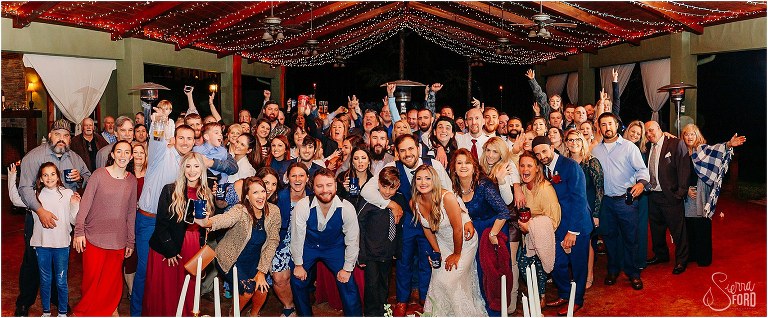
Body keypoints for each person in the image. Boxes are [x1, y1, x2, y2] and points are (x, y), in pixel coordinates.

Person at [133, 102, 235, 316]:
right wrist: (160, 121)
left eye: (190, 138)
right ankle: (139, 313)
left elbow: (226, 168)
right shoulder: (162, 153)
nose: (185, 142)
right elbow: (157, 139)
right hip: (151, 219)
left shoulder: (192, 163)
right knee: (145, 273)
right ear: (174, 138)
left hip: (178, 224)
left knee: (179, 277)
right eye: (181, 138)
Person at [360, 134, 453, 316]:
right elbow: (367, 190)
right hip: (405, 223)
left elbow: (448, 192)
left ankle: (426, 299)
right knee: (403, 262)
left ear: (418, 148)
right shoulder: (392, 166)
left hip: (429, 222)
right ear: (397, 152)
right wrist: (390, 203)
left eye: (410, 149)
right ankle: (402, 300)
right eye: (402, 150)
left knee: (428, 261)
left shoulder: (434, 165)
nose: (407, 153)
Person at [17, 119, 91, 317]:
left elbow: (90, 178)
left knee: (60, 263)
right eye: (57, 134)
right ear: (50, 135)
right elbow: (24, 188)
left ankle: (58, 300)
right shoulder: (34, 156)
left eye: (66, 136)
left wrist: (81, 178)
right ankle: (24, 302)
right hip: (37, 217)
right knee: (32, 260)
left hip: (64, 220)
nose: (62, 139)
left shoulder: (75, 158)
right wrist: (40, 211)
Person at [143, 152, 214, 316]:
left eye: (196, 166)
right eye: (188, 166)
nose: (192, 170)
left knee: (187, 288)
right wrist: (170, 251)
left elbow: (206, 225)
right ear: (182, 168)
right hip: (168, 246)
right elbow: (161, 224)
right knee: (167, 290)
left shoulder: (206, 193)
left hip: (192, 246)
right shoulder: (170, 190)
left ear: (202, 169)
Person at [197, 177, 280, 316]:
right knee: (248, 290)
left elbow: (273, 241)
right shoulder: (240, 210)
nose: (260, 196)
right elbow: (226, 219)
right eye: (255, 192)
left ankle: (253, 314)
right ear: (247, 196)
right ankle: (234, 313)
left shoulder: (274, 211)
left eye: (262, 191)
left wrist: (261, 271)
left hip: (254, 260)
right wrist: (207, 222)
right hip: (232, 258)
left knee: (262, 290)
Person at [412, 164, 487, 316]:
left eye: (427, 178)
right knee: (438, 280)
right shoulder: (414, 202)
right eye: (419, 179)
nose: (423, 182)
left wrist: (457, 254)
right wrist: (437, 251)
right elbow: (427, 229)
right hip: (442, 243)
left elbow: (458, 228)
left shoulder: (447, 197)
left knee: (450, 281)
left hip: (464, 243)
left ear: (434, 180)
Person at [73, 140, 137, 316]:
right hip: (94, 236)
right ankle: (86, 313)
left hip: (118, 239)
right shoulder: (99, 175)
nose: (122, 155)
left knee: (112, 282)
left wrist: (130, 241)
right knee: (91, 281)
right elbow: (85, 204)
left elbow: (131, 212)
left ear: (131, 157)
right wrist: (79, 231)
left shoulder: (132, 181)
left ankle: (110, 309)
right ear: (112, 154)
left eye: (126, 152)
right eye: (119, 151)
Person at [531, 136, 592, 315]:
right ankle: (565, 294)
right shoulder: (543, 169)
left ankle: (577, 300)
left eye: (544, 151)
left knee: (578, 265)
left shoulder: (570, 166)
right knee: (556, 262)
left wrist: (573, 231)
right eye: (537, 154)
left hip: (577, 224)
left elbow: (579, 200)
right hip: (558, 225)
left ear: (552, 147)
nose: (542, 156)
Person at [290, 168, 362, 317]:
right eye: (319, 186)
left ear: (335, 186)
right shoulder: (303, 206)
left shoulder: (347, 208)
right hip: (308, 246)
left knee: (348, 282)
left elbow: (352, 240)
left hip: (334, 247)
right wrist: (298, 264)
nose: (324, 190)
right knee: (297, 281)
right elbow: (297, 237)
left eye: (329, 185)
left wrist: (347, 269)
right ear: (313, 188)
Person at [591, 113, 649, 290]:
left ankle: (633, 273)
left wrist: (641, 183)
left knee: (631, 238)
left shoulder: (629, 147)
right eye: (603, 124)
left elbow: (642, 170)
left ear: (616, 125)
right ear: (599, 128)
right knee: (609, 238)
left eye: (610, 123)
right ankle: (613, 270)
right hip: (605, 202)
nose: (607, 127)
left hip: (626, 201)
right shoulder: (595, 150)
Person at [449, 148, 509, 316]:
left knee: (491, 273)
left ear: (474, 166)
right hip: (472, 232)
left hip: (493, 229)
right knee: (475, 272)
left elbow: (504, 212)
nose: (463, 166)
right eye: (459, 163)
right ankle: (480, 309)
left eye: (467, 162)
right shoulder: (453, 187)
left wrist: (492, 234)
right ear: (454, 168)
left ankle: (495, 311)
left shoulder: (484, 185)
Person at [681, 124, 746, 267]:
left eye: (692, 134)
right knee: (689, 225)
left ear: (697, 135)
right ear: (683, 137)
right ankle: (691, 254)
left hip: (701, 193)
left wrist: (729, 144)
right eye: (686, 134)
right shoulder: (682, 153)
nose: (689, 137)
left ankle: (704, 258)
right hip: (687, 195)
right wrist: (686, 190)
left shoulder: (702, 150)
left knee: (702, 224)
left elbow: (717, 149)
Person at [31, 162, 81, 317]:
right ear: (40, 178)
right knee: (45, 280)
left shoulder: (67, 193)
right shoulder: (35, 195)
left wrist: (75, 205)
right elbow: (16, 199)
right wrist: (12, 177)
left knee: (61, 281)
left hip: (61, 245)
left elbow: (74, 220)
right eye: (45, 175)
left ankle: (62, 313)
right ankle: (46, 312)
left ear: (58, 176)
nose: (49, 178)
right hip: (42, 245)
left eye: (53, 174)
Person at [479, 136, 522, 313]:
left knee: (509, 263)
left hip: (507, 223)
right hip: (487, 223)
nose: (490, 155)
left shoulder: (507, 167)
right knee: (489, 264)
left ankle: (510, 301)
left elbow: (508, 201)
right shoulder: (480, 168)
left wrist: (502, 181)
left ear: (501, 154)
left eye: (495, 151)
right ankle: (491, 300)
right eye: (488, 150)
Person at [644, 121, 692, 274]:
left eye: (651, 130)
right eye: (646, 132)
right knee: (656, 230)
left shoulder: (676, 144)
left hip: (671, 196)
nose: (649, 134)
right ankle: (661, 255)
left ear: (659, 128)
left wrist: (680, 193)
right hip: (653, 195)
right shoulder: (647, 147)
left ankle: (682, 260)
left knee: (678, 231)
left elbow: (684, 169)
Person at [356, 166, 405, 316]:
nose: (387, 192)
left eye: (392, 188)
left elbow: (399, 228)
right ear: (378, 183)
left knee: (385, 283)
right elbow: (359, 228)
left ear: (398, 186)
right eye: (384, 187)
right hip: (371, 253)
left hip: (388, 251)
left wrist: (397, 249)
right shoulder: (369, 201)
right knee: (372, 285)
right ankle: (371, 313)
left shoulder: (399, 199)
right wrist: (361, 254)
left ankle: (383, 311)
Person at [517, 152, 561, 310]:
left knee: (538, 264)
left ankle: (541, 296)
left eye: (529, 166)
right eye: (522, 165)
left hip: (544, 234)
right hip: (527, 234)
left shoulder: (545, 189)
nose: (525, 169)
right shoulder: (522, 188)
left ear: (537, 168)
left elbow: (554, 219)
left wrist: (531, 226)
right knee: (522, 263)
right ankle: (533, 292)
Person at [563, 130, 604, 289]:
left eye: (577, 140)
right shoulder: (565, 163)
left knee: (587, 242)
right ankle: (576, 274)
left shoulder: (591, 162)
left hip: (589, 208)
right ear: (566, 143)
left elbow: (599, 189)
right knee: (574, 242)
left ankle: (589, 275)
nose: (574, 143)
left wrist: (596, 213)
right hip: (570, 209)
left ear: (583, 142)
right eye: (570, 140)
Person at [272, 163, 310, 317]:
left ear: (307, 178)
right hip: (283, 240)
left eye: (301, 175)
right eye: (293, 175)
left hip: (308, 242)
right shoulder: (279, 197)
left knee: (300, 277)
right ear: (287, 178)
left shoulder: (314, 196)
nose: (297, 179)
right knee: (279, 278)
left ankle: (303, 303)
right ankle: (289, 306)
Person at [124, 142, 147, 298]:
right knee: (130, 256)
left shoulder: (150, 174)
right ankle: (132, 291)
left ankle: (143, 290)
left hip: (145, 219)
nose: (139, 155)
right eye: (136, 152)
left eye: (141, 152)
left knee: (143, 256)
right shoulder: (126, 174)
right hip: (127, 219)